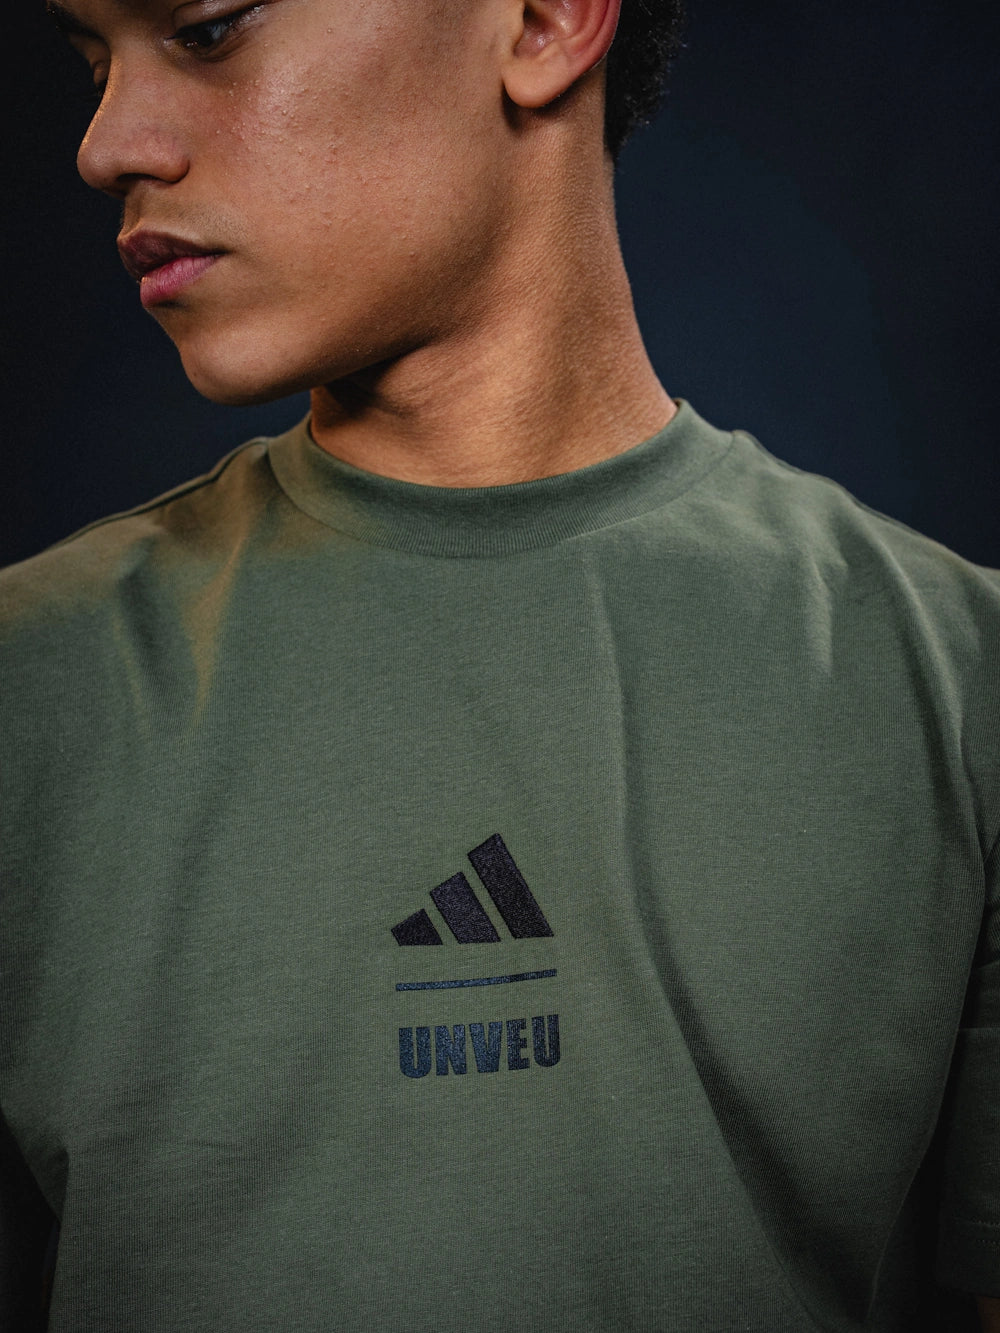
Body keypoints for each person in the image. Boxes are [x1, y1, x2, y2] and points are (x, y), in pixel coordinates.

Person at [1, 0, 998, 1328]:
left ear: (541, 21)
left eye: (209, 28)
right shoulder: (27, 696)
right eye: (92, 62)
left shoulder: (960, 680)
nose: (104, 143)